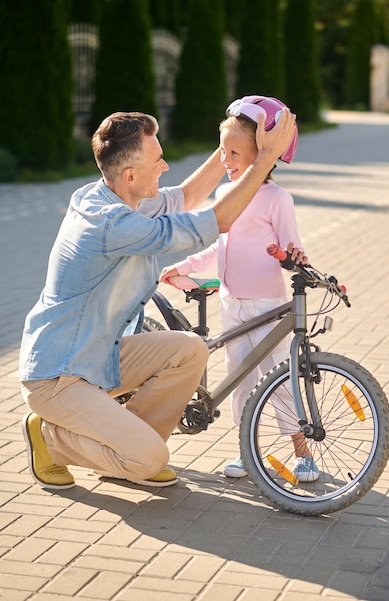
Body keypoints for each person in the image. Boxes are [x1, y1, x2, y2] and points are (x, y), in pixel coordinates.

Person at [19, 106, 296, 491]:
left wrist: (234, 143)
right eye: (158, 160)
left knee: (190, 350)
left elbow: (188, 196)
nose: (165, 167)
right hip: (59, 376)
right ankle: (53, 437)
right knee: (152, 459)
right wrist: (265, 157)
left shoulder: (114, 193)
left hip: (95, 356)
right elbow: (219, 220)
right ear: (131, 174)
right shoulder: (112, 224)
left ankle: (127, 449)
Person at [160, 96, 319, 483]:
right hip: (232, 304)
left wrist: (293, 256)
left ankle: (303, 454)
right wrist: (183, 266)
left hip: (268, 305)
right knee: (240, 381)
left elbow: (293, 247)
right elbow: (219, 246)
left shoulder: (278, 199)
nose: (225, 160)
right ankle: (249, 452)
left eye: (234, 152)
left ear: (262, 153)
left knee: (278, 378)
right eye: (223, 150)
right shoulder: (225, 196)